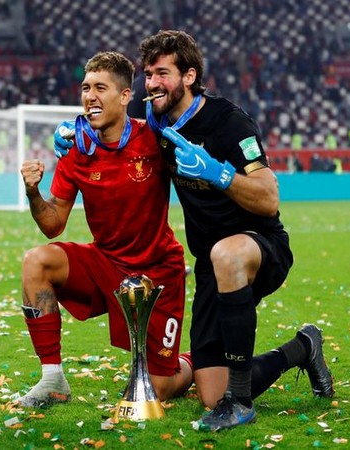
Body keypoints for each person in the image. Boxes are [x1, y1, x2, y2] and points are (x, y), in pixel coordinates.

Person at [137, 30, 334, 431]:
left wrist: (217, 172)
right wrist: (80, 136)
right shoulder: (158, 123)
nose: (152, 83)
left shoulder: (230, 122)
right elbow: (124, 134)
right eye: (147, 74)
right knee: (211, 392)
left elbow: (269, 197)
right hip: (212, 265)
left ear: (189, 76)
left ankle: (241, 404)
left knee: (226, 252)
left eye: (162, 73)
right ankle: (303, 348)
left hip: (259, 248)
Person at [18, 51, 193, 407]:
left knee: (158, 390)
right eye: (85, 88)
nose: (89, 96)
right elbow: (52, 225)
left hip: (157, 273)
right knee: (36, 262)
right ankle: (53, 380)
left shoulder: (155, 139)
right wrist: (33, 192)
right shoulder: (76, 149)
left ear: (126, 96)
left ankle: (199, 360)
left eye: (100, 87)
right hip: (107, 265)